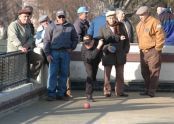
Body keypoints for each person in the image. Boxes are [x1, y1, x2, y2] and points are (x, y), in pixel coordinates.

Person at [44, 9, 78, 101]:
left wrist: (72, 47)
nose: (62, 18)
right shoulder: (51, 27)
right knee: (53, 73)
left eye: (63, 16)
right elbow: (46, 41)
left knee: (64, 74)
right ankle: (51, 94)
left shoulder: (70, 26)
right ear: (56, 17)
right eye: (60, 17)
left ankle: (61, 93)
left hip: (66, 53)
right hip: (54, 52)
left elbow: (75, 38)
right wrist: (47, 54)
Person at [99, 10, 130, 97]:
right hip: (108, 55)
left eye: (113, 17)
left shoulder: (121, 26)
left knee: (120, 74)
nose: (111, 19)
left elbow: (127, 40)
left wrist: (125, 51)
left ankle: (119, 92)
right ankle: (107, 91)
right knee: (107, 75)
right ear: (106, 19)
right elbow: (101, 42)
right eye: (109, 18)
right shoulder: (102, 28)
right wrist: (106, 48)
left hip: (120, 54)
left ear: (115, 17)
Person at [136, 6, 165, 97]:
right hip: (143, 51)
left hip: (153, 50)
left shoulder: (155, 22)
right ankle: (147, 89)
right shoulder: (139, 25)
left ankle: (151, 91)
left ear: (147, 13)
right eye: (139, 15)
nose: (140, 17)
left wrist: (157, 49)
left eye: (142, 15)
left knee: (154, 71)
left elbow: (160, 36)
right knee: (144, 72)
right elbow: (138, 38)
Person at [7, 8, 44, 80]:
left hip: (25, 51)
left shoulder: (28, 26)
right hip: (15, 53)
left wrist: (27, 45)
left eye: (28, 16)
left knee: (39, 59)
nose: (26, 18)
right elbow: (13, 37)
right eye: (25, 16)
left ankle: (31, 78)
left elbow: (31, 37)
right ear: (19, 17)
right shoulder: (13, 25)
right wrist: (20, 47)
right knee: (16, 73)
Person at [81, 35, 103, 102]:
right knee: (90, 76)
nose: (86, 44)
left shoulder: (96, 41)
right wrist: (99, 46)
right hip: (88, 61)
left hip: (96, 61)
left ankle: (90, 92)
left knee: (93, 77)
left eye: (88, 42)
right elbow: (91, 57)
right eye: (85, 42)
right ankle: (89, 95)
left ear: (92, 41)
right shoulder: (84, 47)